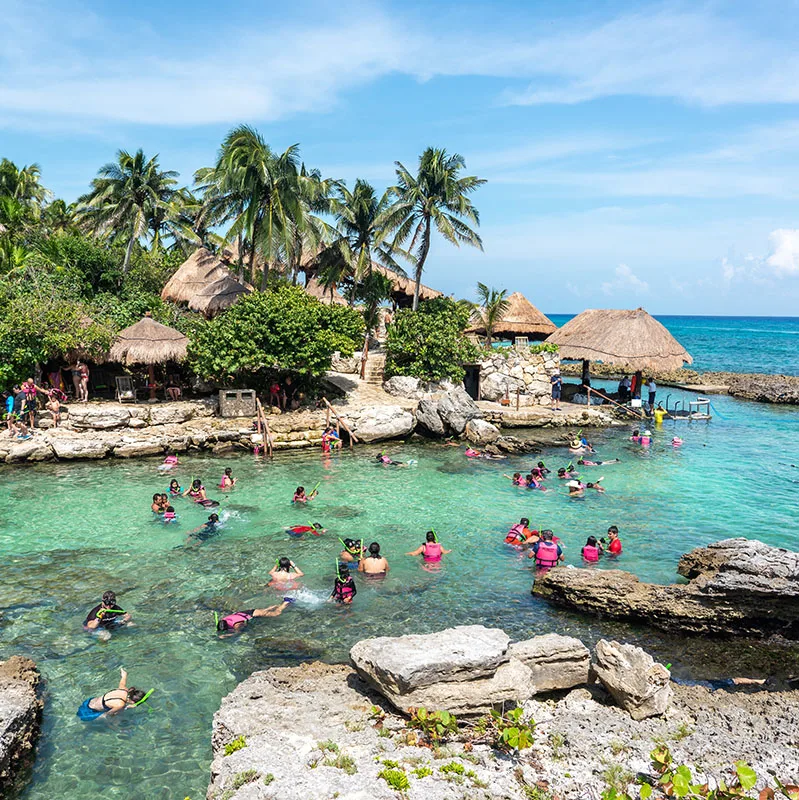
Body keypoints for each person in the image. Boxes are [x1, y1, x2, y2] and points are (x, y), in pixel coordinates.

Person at [77, 668, 149, 720]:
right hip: (90, 711)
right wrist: (127, 707)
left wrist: (124, 673)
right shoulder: (120, 704)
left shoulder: (124, 690)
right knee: (110, 717)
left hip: (89, 701)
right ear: (133, 702)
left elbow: (123, 678)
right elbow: (109, 714)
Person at [216, 601, 294, 636]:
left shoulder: (236, 625)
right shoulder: (223, 620)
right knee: (264, 611)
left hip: (251, 614)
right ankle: (271, 607)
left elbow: (238, 632)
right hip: (243, 613)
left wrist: (227, 636)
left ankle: (286, 602)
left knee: (276, 614)